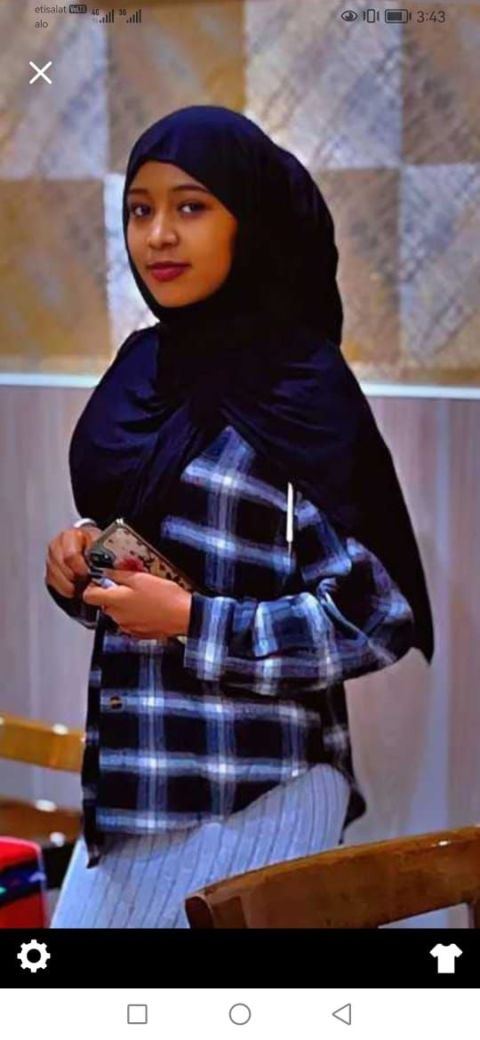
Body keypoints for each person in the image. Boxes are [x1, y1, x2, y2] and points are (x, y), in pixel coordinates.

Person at [45, 105, 434, 928]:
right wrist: (81, 567)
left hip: (257, 789)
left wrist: (194, 622)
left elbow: (375, 617)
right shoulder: (144, 369)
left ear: (248, 220)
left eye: (191, 206)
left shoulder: (304, 391)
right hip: (133, 784)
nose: (158, 235)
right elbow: (150, 553)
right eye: (140, 209)